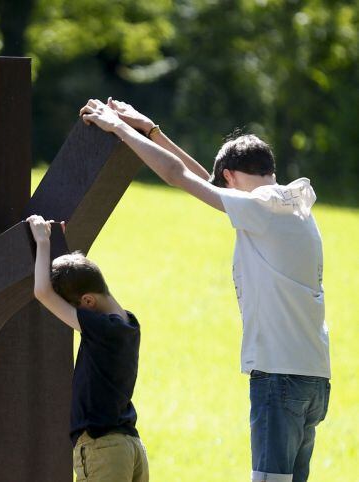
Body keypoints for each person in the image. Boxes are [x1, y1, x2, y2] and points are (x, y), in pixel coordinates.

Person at [80, 99, 330, 482]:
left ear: (230, 175)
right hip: (312, 378)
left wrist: (118, 128)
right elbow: (204, 183)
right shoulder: (293, 206)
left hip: (279, 377)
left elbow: (179, 176)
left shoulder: (260, 210)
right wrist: (151, 131)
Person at [26, 215, 149, 482]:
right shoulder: (129, 323)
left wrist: (43, 241)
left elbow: (42, 292)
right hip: (130, 446)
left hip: (102, 448)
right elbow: (75, 280)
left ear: (88, 301)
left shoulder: (102, 329)